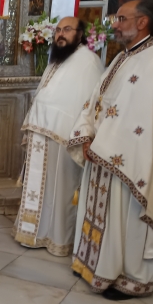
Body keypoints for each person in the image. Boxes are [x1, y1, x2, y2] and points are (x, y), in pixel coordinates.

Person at [68, 0, 153, 300]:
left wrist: (101, 144)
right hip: (103, 150)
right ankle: (95, 266)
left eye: (121, 18)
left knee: (127, 218)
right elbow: (98, 98)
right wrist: (87, 134)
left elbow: (141, 119)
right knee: (104, 216)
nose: (115, 25)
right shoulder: (125, 56)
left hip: (130, 160)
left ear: (142, 22)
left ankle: (129, 278)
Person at [13, 17, 103, 256]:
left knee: (62, 188)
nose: (61, 34)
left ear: (80, 34)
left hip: (66, 136)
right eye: (58, 30)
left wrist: (83, 135)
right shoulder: (57, 58)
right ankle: (33, 233)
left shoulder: (89, 61)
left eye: (67, 29)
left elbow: (90, 102)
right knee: (41, 187)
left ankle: (59, 239)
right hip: (42, 131)